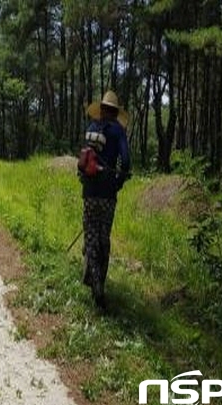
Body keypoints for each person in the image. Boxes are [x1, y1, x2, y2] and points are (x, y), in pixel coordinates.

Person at [79, 90, 131, 309]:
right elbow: (126, 161)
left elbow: (83, 159)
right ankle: (99, 284)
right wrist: (118, 182)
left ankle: (94, 282)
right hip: (108, 195)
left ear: (101, 109)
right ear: (115, 112)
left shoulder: (92, 128)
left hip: (89, 193)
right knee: (104, 237)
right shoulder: (118, 131)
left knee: (90, 236)